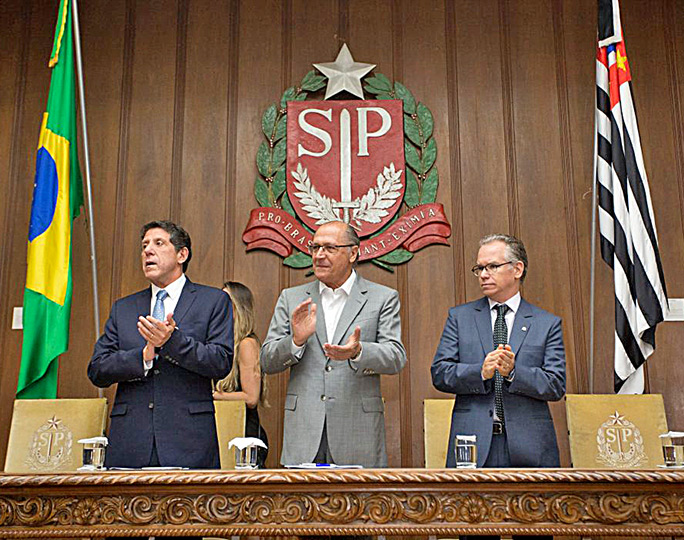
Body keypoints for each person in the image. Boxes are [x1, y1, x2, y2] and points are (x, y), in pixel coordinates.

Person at [431, 234, 565, 540]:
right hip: (475, 445)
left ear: (517, 269)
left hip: (530, 447)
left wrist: (515, 372)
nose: (483, 275)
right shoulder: (460, 317)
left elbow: (556, 384)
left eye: (492, 266)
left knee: (535, 531)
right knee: (474, 532)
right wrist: (480, 372)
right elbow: (440, 373)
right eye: (479, 269)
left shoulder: (546, 323)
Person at [88, 220, 233, 469]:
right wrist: (143, 356)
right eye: (144, 245)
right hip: (130, 441)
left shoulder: (213, 301)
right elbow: (98, 370)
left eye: (158, 243)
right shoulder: (124, 307)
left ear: (182, 254)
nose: (147, 251)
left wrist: (172, 341)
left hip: (189, 441)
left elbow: (220, 362)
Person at [261, 220, 407, 468]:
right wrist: (295, 341)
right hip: (305, 433)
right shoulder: (292, 298)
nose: (319, 255)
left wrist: (359, 352)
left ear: (353, 253)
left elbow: (395, 357)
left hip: (357, 433)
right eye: (315, 248)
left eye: (329, 248)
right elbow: (267, 360)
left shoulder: (382, 297)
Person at [213, 281, 269, 468]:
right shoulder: (223, 343)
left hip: (243, 434)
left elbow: (251, 397)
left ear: (239, 307)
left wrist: (212, 396)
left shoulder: (246, 344)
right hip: (225, 428)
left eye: (225, 300)